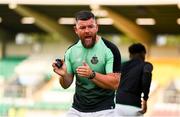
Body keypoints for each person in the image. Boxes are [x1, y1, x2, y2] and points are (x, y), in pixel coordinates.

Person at [52, 10, 121, 117]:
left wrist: (92, 75)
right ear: (76, 30)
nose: (87, 31)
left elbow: (115, 83)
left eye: (90, 26)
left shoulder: (110, 49)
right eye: (82, 28)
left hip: (105, 110)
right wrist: (64, 75)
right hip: (77, 110)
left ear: (96, 27)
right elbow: (66, 84)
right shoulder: (71, 51)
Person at [115, 43, 153, 116]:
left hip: (117, 105)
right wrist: (145, 99)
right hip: (133, 105)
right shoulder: (146, 65)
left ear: (130, 54)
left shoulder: (122, 65)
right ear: (143, 53)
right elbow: (146, 75)